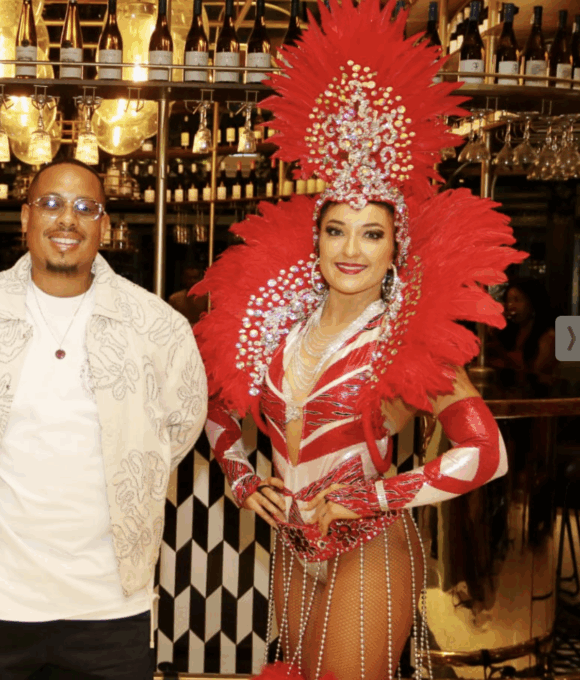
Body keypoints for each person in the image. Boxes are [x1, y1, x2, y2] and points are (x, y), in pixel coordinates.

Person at [192, 2, 525, 679]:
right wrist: (240, 476)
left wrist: (373, 497)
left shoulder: (406, 337)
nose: (351, 249)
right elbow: (217, 402)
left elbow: (486, 455)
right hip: (291, 545)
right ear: (314, 240)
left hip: (368, 546)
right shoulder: (277, 324)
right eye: (336, 230)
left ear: (395, 247)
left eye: (372, 233)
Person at [0, 157, 208, 680]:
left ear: (104, 226)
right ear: (26, 217)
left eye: (85, 207)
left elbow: (181, 426)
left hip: (109, 607)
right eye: (50, 203)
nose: (67, 218)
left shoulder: (156, 326)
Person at [492, 278, 557, 376]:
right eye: (508, 301)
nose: (510, 306)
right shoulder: (513, 331)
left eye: (517, 300)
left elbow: (536, 373)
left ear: (533, 302)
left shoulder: (548, 337)